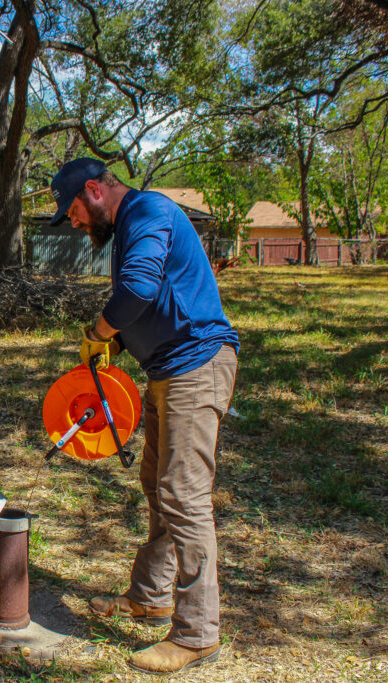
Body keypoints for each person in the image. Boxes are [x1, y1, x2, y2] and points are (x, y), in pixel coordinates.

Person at [47, 158, 240, 675]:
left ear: (93, 191)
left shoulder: (149, 210)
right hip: (168, 370)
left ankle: (197, 633)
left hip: (196, 366)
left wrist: (99, 332)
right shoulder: (134, 220)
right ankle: (151, 597)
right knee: (158, 484)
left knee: (183, 494)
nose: (74, 224)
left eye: (73, 213)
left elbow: (138, 289)